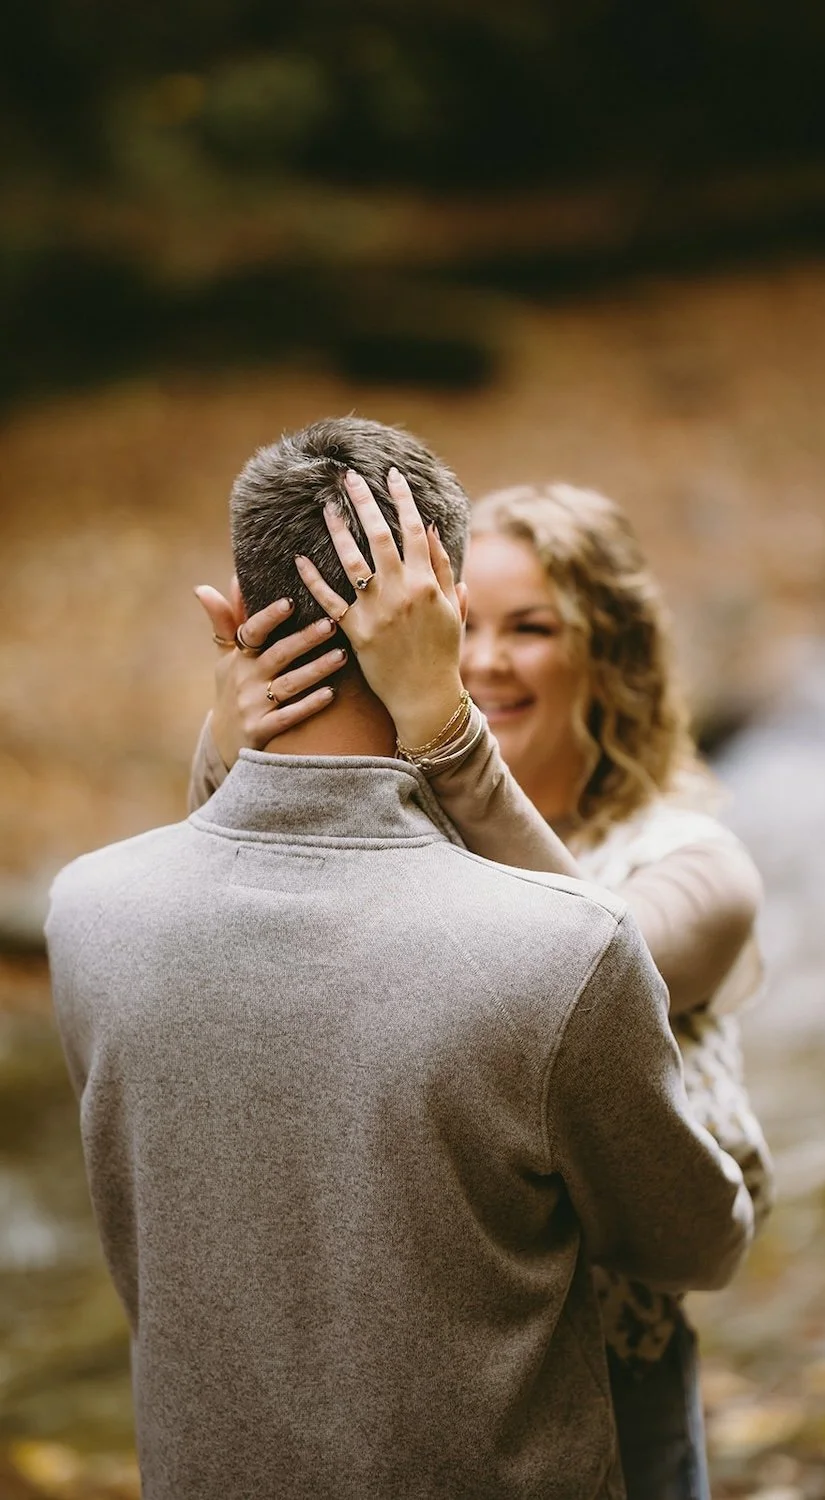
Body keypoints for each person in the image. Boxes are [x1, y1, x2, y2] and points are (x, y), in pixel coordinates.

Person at [47, 417, 755, 1500]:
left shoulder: (86, 910)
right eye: (468, 625)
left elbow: (580, 959)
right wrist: (237, 743)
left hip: (602, 1386)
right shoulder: (486, 889)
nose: (482, 657)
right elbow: (256, 910)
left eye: (531, 627)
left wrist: (435, 727)